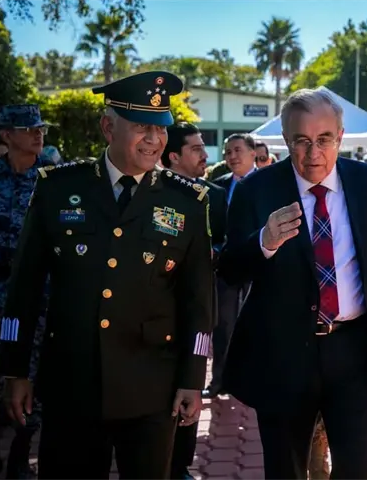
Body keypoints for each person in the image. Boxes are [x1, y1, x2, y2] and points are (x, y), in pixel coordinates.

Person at [0, 71, 215, 479]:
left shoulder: (186, 200)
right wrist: (15, 370)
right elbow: (23, 288)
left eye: (160, 128)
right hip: (72, 383)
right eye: (142, 127)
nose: (154, 139)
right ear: (107, 127)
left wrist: (192, 377)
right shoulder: (57, 188)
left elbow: (198, 300)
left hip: (153, 387)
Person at [218, 87, 367, 480]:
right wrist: (264, 242)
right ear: (285, 139)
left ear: (340, 136)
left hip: (354, 351)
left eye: (324, 139)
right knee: (285, 469)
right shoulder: (257, 190)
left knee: (357, 469)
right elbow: (229, 269)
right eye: (301, 141)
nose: (313, 153)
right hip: (283, 355)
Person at [161, 122, 227, 480]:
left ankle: (181, 464)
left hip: (197, 307)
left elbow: (227, 244)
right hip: (155, 309)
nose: (205, 155)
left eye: (204, 147)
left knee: (191, 380)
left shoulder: (214, 196)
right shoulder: (151, 192)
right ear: (173, 156)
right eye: (196, 149)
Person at [0, 104, 52, 479]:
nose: (37, 134)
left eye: (40, 128)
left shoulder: (52, 181)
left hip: (38, 299)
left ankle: (20, 457)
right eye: (28, 128)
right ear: (6, 135)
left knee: (34, 377)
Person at [204, 133, 257, 398]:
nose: (232, 156)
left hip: (258, 265)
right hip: (225, 266)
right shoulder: (218, 187)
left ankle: (252, 381)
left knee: (255, 324)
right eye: (228, 152)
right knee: (222, 325)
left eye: (237, 150)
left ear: (253, 153)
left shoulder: (267, 184)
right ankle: (219, 381)